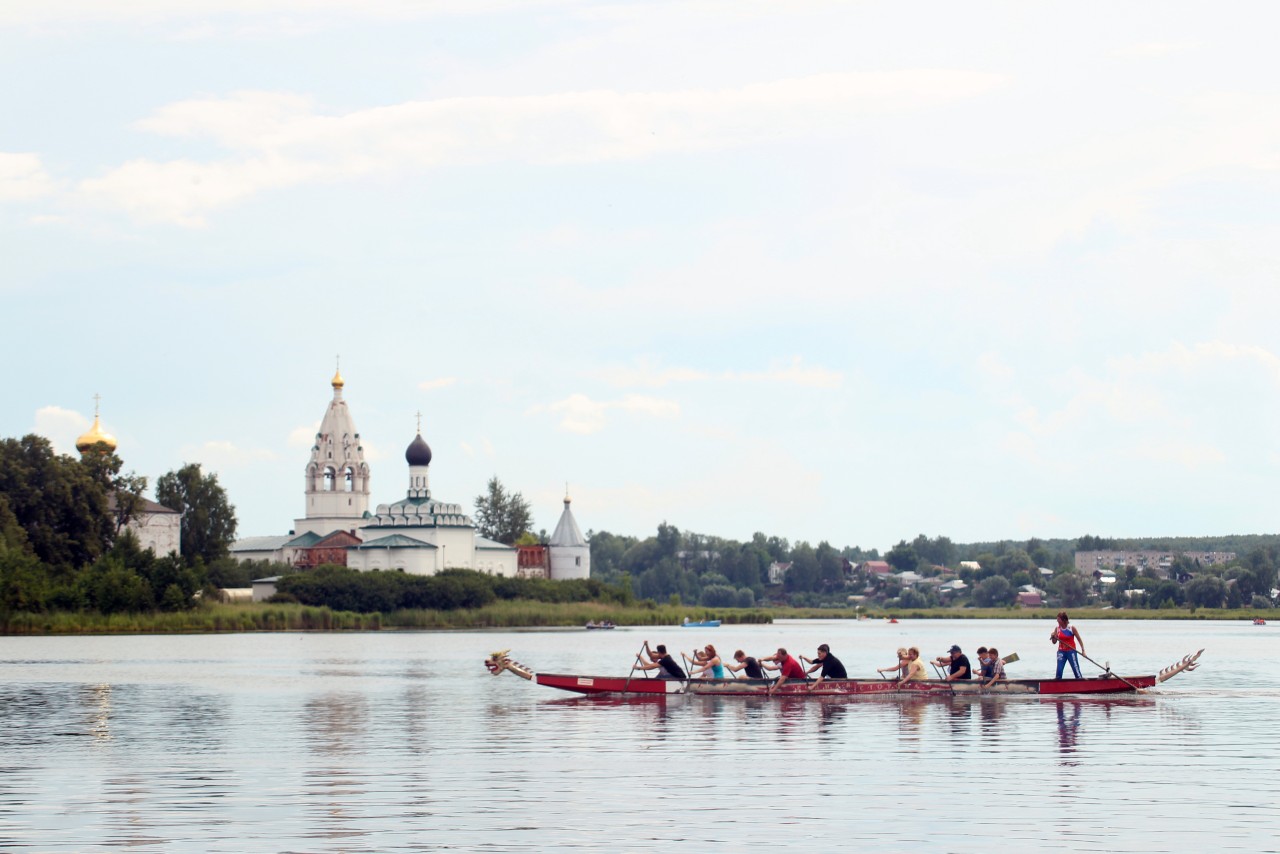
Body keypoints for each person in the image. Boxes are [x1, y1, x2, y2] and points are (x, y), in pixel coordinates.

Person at [1050, 611, 1085, 679]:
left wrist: (1083, 651)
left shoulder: (1071, 628)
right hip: (1061, 652)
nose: (1057, 621)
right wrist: (1053, 637)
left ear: (1063, 620)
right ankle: (1057, 684)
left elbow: (1079, 640)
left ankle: (1080, 682)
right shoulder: (1057, 629)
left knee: (1076, 671)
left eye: (1058, 619)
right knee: (1059, 671)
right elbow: (1054, 642)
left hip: (1071, 651)